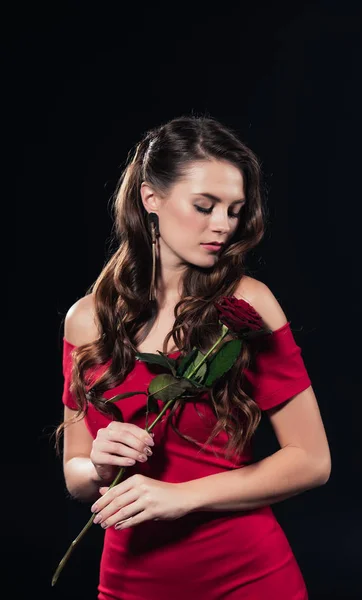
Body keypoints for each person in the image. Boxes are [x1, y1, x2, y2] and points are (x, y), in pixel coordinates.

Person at [56, 114, 331, 600]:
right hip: (128, 582)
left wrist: (183, 497)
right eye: (204, 206)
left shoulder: (248, 305)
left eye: (234, 210)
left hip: (249, 577)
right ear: (151, 199)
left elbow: (311, 460)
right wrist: (98, 467)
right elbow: (76, 472)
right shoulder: (87, 319)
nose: (223, 226)